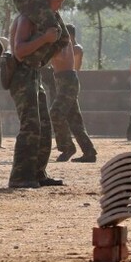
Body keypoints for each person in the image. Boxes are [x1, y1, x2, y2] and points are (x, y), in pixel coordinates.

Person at [8, 0, 67, 188]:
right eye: (57, 1)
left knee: (43, 125)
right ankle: (20, 176)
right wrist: (44, 39)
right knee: (30, 125)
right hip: (21, 74)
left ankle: (38, 173)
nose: (60, 6)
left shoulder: (45, 21)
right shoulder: (27, 18)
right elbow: (20, 51)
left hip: (33, 73)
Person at [50, 24, 97, 161]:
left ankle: (67, 147)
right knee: (75, 120)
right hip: (62, 81)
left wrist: (48, 48)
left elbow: (62, 57)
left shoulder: (64, 42)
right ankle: (89, 152)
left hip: (67, 80)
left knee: (56, 112)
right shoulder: (58, 42)